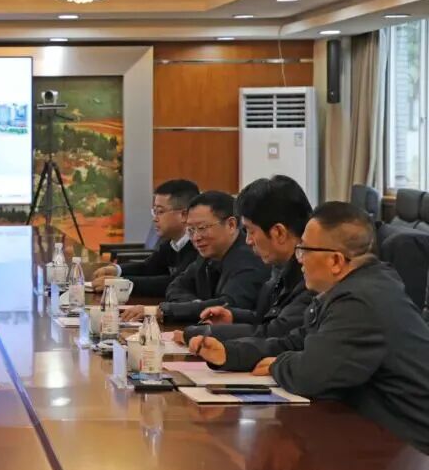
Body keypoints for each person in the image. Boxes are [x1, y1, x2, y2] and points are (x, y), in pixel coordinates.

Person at [191, 202, 429, 452]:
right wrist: (230, 354)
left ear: (335, 260)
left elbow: (311, 375)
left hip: (408, 450)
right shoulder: (350, 289)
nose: (300, 260)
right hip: (372, 437)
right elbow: (295, 342)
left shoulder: (360, 301)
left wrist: (277, 364)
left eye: (304, 250)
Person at [177, 176, 315, 346]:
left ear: (279, 232)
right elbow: (266, 319)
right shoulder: (280, 268)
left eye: (250, 231)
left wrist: (206, 332)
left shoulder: (312, 275)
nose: (248, 241)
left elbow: (277, 333)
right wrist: (233, 317)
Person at [157, 190, 270, 323]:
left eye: (202, 228)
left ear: (231, 225)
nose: (196, 237)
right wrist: (195, 304)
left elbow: (228, 305)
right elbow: (176, 286)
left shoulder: (250, 258)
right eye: (191, 230)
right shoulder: (209, 253)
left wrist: (179, 309)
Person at [92, 179, 199, 297]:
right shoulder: (171, 243)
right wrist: (116, 270)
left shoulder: (198, 246)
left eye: (160, 211)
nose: (155, 218)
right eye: (154, 212)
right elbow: (148, 268)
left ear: (184, 215)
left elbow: (174, 283)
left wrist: (121, 284)